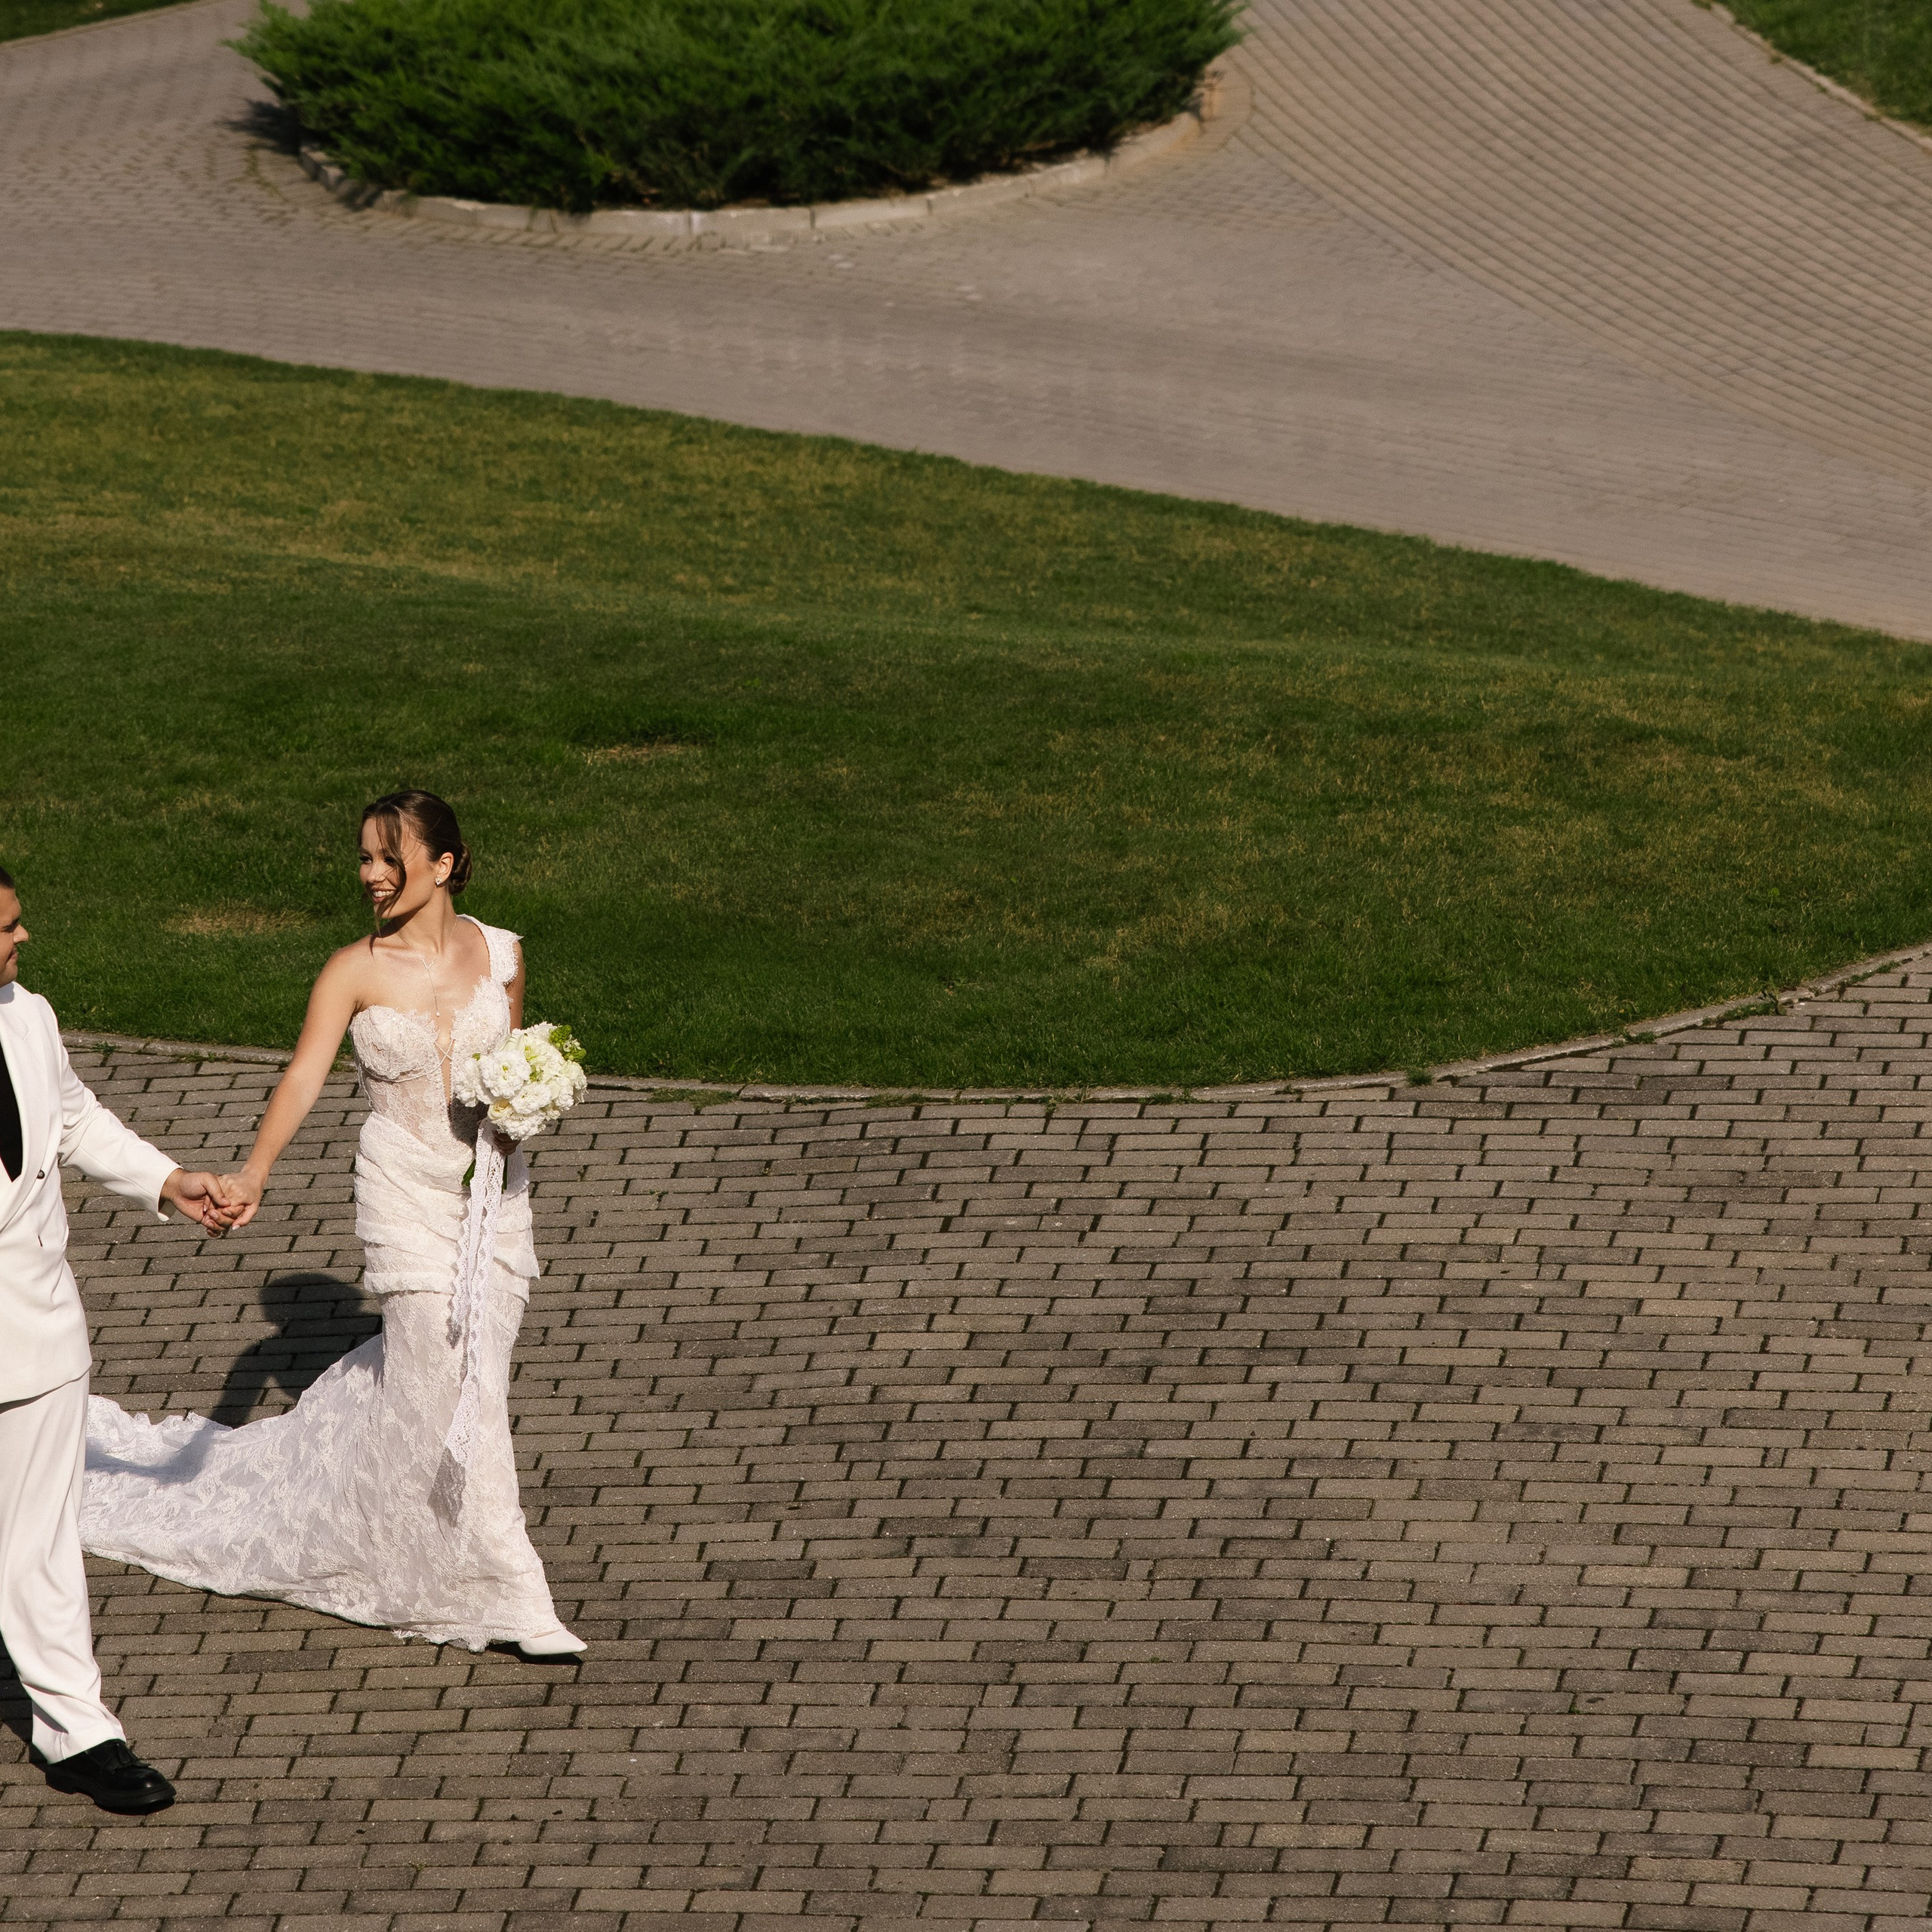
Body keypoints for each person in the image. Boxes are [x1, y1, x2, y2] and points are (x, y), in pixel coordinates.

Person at [81, 793, 583, 1660]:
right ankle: (515, 1590)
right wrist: (254, 1172)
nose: (371, 875)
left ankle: (406, 1535)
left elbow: (512, 1061)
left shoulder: (502, 955)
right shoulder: (351, 969)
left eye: (389, 856)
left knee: (477, 1377)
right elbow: (303, 1079)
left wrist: (528, 1103)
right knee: (438, 1358)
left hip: (492, 1198)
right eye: (363, 858)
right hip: (400, 1193)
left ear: (444, 864)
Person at [0, 863, 238, 1814]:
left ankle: (79, 1731)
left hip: (37, 1322)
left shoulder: (30, 1014)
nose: (21, 940)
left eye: (16, 922)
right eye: (6, 928)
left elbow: (72, 1119)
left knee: (41, 1539)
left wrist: (167, 1179)